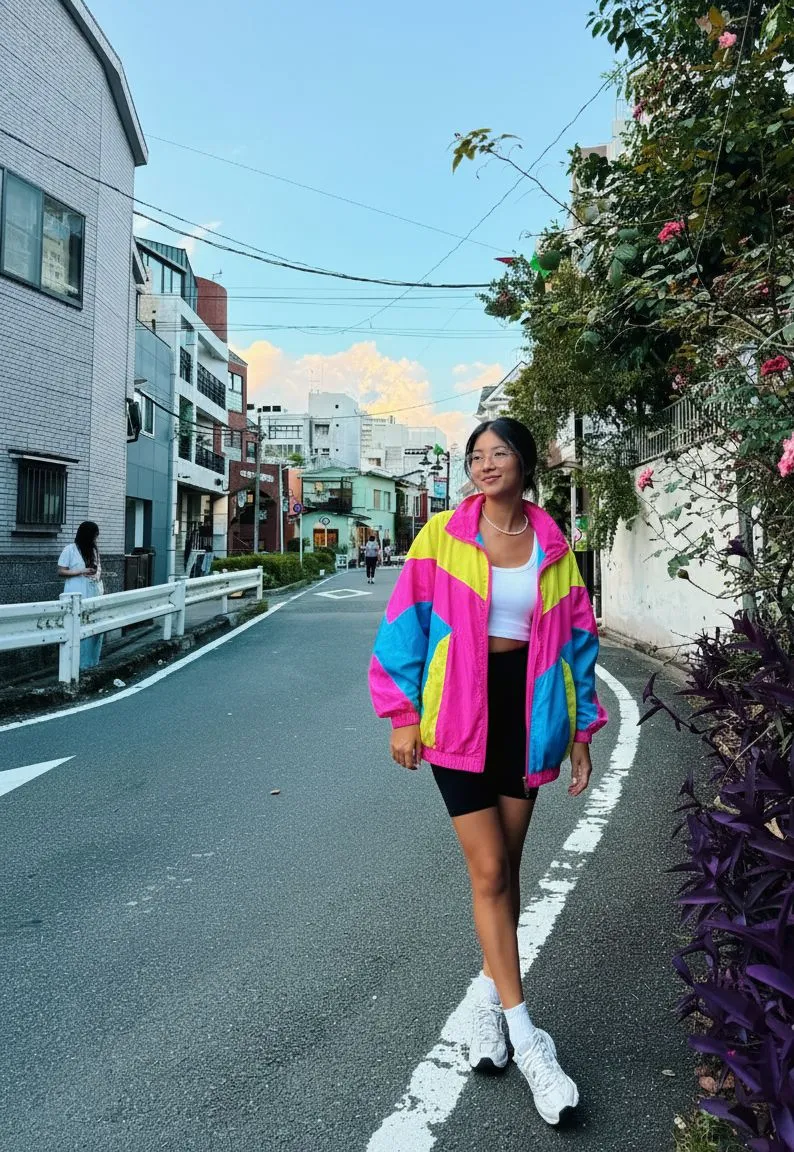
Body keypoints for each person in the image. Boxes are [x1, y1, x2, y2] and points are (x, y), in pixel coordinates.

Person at [368, 417, 607, 1128]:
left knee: (507, 867)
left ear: (525, 464)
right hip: (458, 713)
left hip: (529, 715)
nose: (485, 463)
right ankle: (530, 1037)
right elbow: (404, 622)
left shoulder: (555, 547)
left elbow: (579, 642)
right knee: (488, 872)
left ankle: (484, 1003)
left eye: (498, 452)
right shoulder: (441, 536)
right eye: (476, 455)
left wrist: (583, 731)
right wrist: (400, 712)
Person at [57, 520, 104, 669]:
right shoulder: (69, 550)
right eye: (94, 536)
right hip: (75, 592)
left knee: (94, 628)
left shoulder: (94, 551)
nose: (95, 540)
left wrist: (95, 576)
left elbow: (99, 570)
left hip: (93, 591)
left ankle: (92, 662)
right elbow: (61, 571)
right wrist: (81, 571)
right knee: (77, 628)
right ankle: (78, 665)